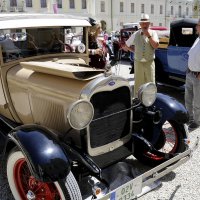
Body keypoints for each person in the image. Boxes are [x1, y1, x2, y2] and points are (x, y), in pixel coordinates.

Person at [122, 14, 159, 97]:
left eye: (146, 23)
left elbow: (156, 46)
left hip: (149, 62)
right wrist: (134, 51)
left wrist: (149, 36)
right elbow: (126, 45)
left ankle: (150, 99)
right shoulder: (136, 34)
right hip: (138, 62)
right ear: (140, 24)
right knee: (138, 83)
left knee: (150, 82)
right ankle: (137, 100)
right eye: (143, 23)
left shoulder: (153, 33)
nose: (144, 25)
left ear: (149, 24)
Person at [185, 19, 200, 131]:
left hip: (198, 76)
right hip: (190, 73)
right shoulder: (197, 39)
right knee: (188, 99)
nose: (196, 27)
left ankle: (197, 121)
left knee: (197, 101)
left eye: (198, 25)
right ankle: (188, 118)